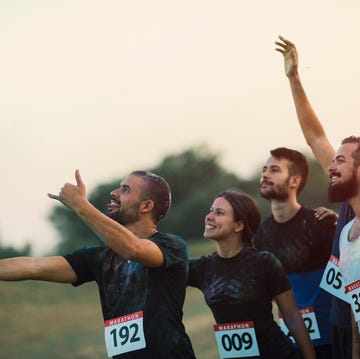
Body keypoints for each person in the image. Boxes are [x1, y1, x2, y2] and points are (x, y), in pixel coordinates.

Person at [0, 169, 196, 359]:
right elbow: (33, 267)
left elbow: (133, 249)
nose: (114, 193)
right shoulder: (99, 258)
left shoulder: (172, 246)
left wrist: (81, 205)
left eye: (125, 190)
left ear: (146, 206)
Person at [275, 35, 356, 358]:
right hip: (342, 327)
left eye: (341, 161)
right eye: (332, 160)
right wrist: (294, 79)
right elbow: (315, 136)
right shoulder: (348, 207)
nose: (331, 167)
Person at [187, 189, 316, 359]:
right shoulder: (202, 268)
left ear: (238, 225)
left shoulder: (264, 262)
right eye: (211, 210)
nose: (209, 216)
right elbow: (158, 264)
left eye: (219, 213)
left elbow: (292, 316)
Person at [254, 147, 337, 358]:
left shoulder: (320, 223)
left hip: (334, 339)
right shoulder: (261, 235)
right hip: (291, 344)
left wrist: (341, 221)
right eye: (264, 169)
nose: (265, 174)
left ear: (294, 181)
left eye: (274, 170)